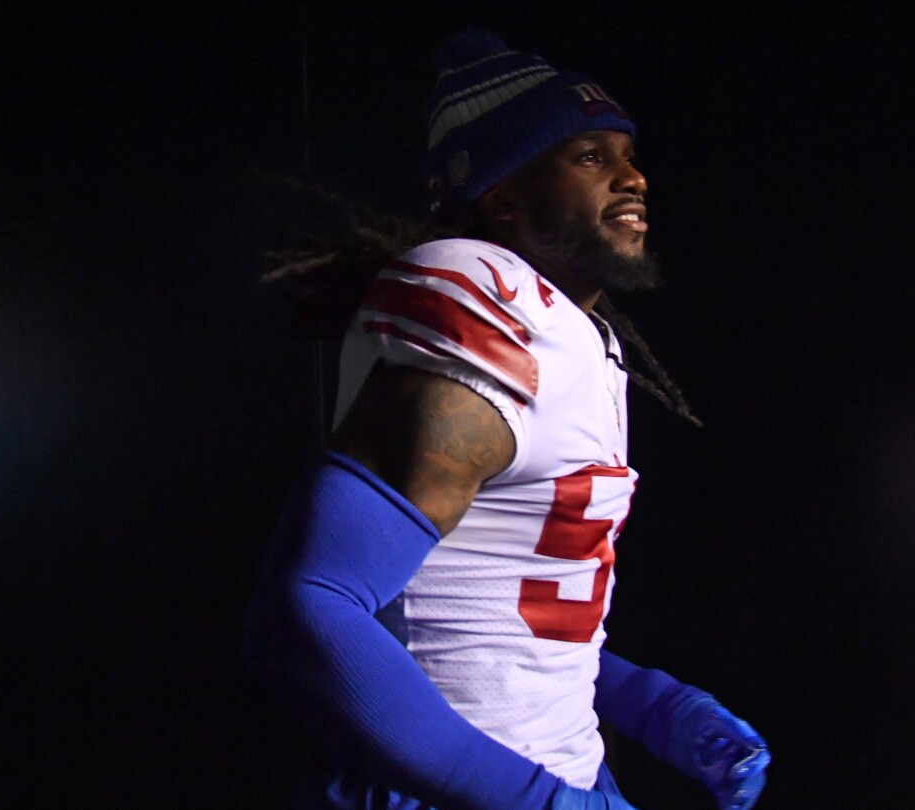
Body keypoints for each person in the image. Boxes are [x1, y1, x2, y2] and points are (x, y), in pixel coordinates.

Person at [242, 31, 770, 810]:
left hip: (553, 774)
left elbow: (497, 622)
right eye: (589, 156)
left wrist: (655, 705)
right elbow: (309, 609)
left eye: (628, 155)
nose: (633, 178)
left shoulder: (575, 339)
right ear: (502, 197)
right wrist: (538, 803)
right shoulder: (490, 311)